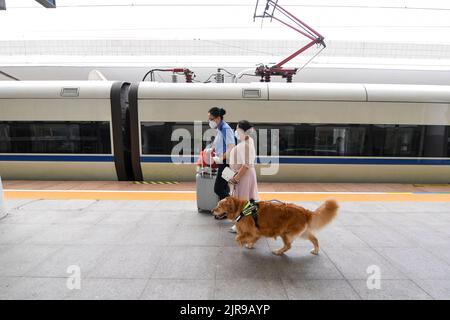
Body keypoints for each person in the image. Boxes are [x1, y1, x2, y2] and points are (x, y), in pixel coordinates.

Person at [228, 120, 259, 233]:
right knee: (246, 200)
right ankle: (243, 224)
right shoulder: (248, 141)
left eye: (237, 129)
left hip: (244, 175)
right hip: (244, 174)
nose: (235, 131)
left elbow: (246, 165)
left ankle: (243, 226)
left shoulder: (245, 144)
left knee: (243, 200)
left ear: (241, 130)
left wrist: (236, 178)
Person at [207, 107, 235, 219]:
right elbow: (217, 143)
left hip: (227, 163)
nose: (209, 121)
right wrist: (211, 148)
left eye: (211, 119)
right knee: (224, 187)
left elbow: (231, 147)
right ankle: (224, 212)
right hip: (222, 162)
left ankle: (233, 207)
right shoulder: (220, 128)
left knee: (218, 188)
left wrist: (222, 158)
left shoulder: (226, 129)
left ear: (218, 118)